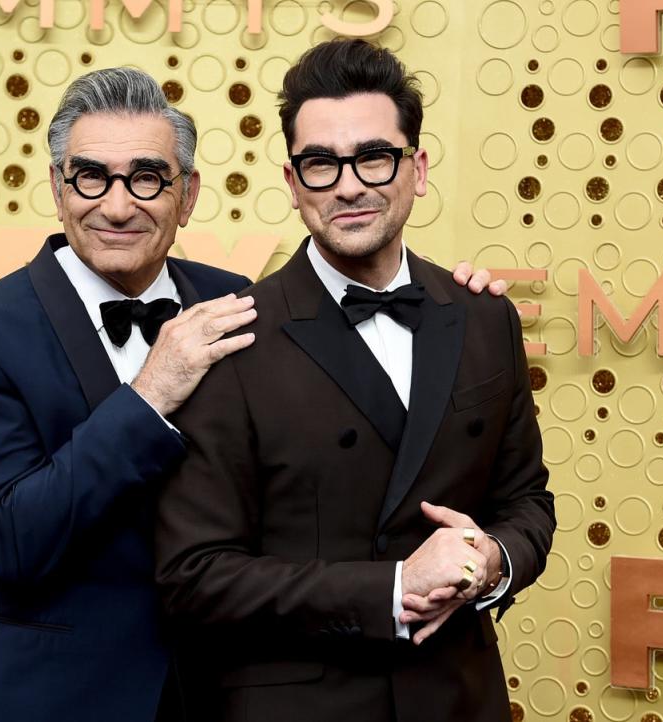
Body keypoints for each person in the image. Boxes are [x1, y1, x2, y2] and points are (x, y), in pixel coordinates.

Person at [0, 66, 504, 722]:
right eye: (91, 176)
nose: (117, 206)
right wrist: (148, 395)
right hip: (46, 697)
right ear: (59, 188)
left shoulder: (239, 301)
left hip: (228, 691)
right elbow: (11, 544)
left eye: (147, 177)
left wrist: (453, 303)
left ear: (189, 194)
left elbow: (364, 405)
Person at [156, 39, 555, 722]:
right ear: (291, 182)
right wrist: (392, 587)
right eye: (320, 164)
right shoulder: (230, 339)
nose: (348, 185)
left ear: (417, 167)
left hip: (456, 698)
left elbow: (526, 503)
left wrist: (491, 558)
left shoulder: (485, 318)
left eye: (373, 156)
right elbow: (194, 575)